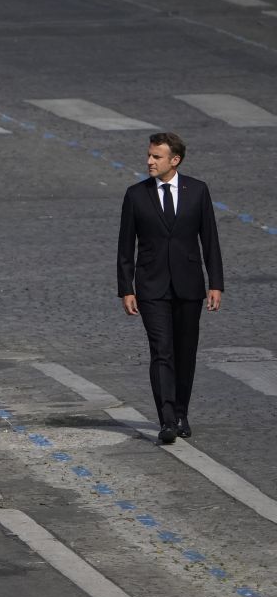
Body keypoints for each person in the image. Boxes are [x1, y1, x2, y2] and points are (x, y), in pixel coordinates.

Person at [116, 132, 224, 444]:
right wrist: (127, 288)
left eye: (156, 157)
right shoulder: (136, 195)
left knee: (185, 353)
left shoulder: (198, 191)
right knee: (161, 351)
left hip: (189, 286)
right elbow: (126, 248)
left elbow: (210, 240)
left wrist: (215, 282)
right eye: (149, 155)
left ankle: (180, 413)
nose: (149, 161)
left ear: (174, 160)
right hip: (151, 287)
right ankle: (165, 420)